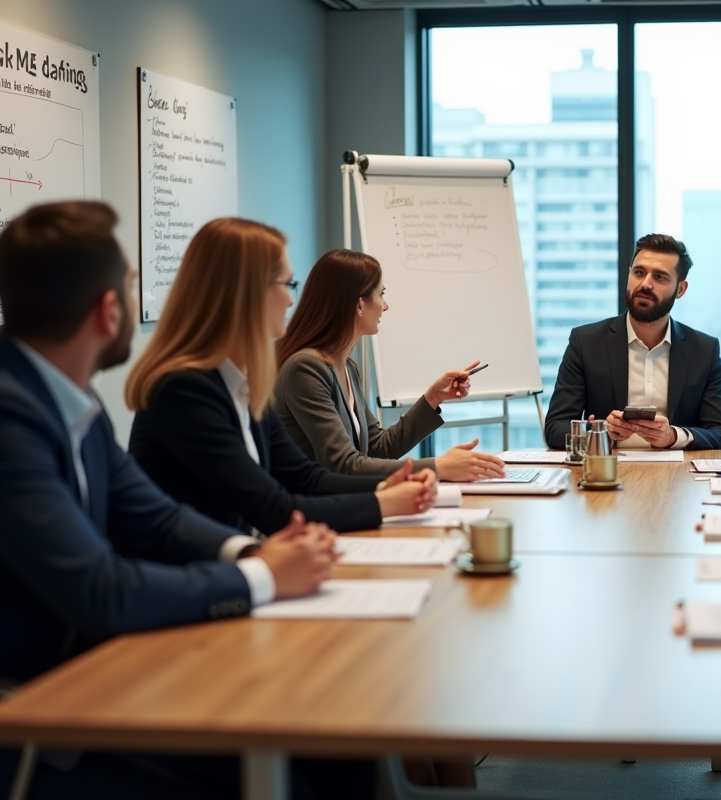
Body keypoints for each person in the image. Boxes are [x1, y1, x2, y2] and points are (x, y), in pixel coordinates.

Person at [0, 201, 373, 799]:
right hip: (45, 713)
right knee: (307, 767)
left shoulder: (71, 403)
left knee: (341, 751)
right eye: (130, 284)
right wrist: (262, 577)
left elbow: (160, 519)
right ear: (109, 310)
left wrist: (255, 554)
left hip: (101, 670)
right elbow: (102, 590)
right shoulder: (13, 419)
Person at [127, 218, 437, 537]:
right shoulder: (185, 391)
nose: (291, 300)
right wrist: (385, 501)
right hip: (199, 576)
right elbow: (273, 508)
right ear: (246, 292)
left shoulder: (241, 384)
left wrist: (389, 484)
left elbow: (307, 478)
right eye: (287, 285)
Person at [273, 248, 506, 482]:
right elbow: (343, 464)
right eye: (381, 294)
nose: (385, 306)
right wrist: (438, 466)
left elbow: (377, 448)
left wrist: (433, 397)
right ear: (359, 304)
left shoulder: (348, 369)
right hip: (315, 512)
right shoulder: (305, 368)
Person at [543, 233, 721, 450]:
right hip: (606, 473)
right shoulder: (586, 343)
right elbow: (554, 428)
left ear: (680, 289)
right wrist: (602, 432)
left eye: (660, 277)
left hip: (677, 477)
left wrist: (673, 436)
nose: (645, 284)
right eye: (639, 273)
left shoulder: (704, 350)